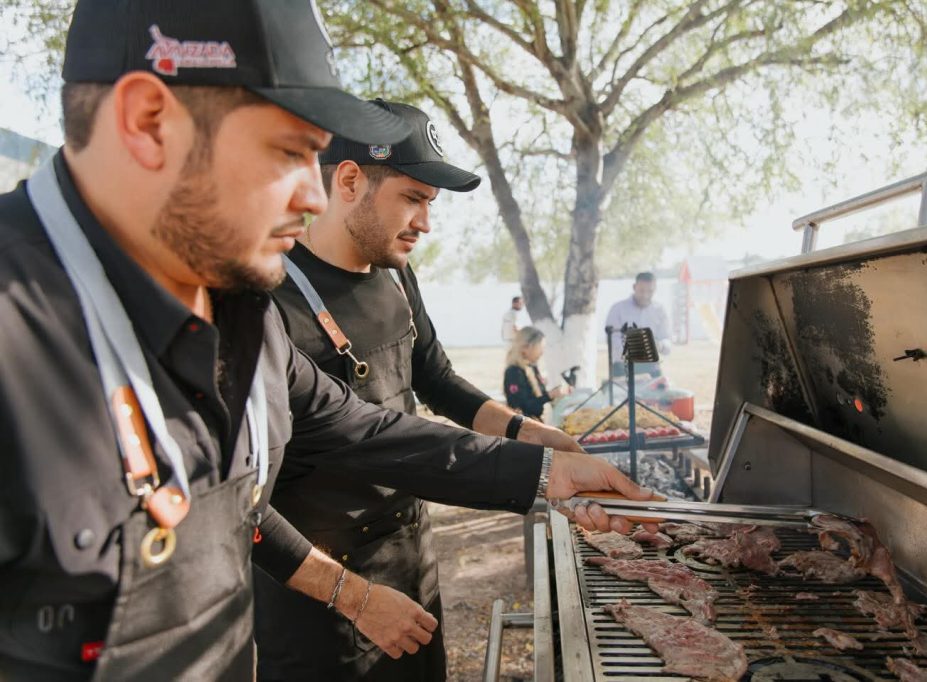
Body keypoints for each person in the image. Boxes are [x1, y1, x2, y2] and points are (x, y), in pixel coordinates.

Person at [0, 2, 655, 679]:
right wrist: (350, 594)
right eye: (290, 152)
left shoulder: (239, 310)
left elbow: (367, 431)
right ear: (148, 122)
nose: (313, 200)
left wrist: (546, 472)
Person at [259, 101, 583, 680]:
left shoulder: (395, 272)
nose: (426, 223)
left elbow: (436, 379)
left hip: (413, 559)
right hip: (321, 597)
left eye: (430, 205)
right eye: (413, 198)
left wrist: (531, 433)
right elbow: (246, 506)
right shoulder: (269, 301)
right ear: (351, 180)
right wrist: (353, 598)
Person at [605, 271, 672, 377]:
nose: (645, 295)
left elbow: (667, 340)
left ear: (655, 289)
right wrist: (631, 353)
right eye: (642, 290)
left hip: (652, 368)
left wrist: (660, 345)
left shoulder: (660, 310)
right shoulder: (618, 309)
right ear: (634, 287)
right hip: (623, 368)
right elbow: (612, 339)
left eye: (650, 291)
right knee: (621, 394)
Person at [504, 327, 571, 420]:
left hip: (536, 422)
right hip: (525, 429)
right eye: (541, 347)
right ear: (527, 347)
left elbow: (538, 399)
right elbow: (523, 408)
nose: (542, 352)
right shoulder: (514, 372)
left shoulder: (532, 367)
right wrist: (550, 395)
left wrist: (556, 393)